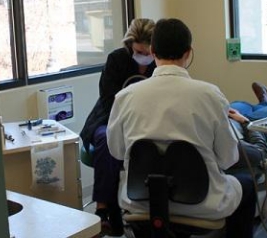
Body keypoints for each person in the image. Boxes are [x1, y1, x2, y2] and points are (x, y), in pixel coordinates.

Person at [107, 18, 256, 238]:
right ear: (189, 52)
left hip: (140, 203)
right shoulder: (210, 95)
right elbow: (228, 159)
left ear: (153, 51)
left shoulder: (125, 97)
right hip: (203, 204)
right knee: (247, 183)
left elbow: (117, 152)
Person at [80, 18, 156, 236]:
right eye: (139, 51)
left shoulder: (159, 64)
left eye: (148, 52)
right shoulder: (116, 60)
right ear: (129, 45)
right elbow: (108, 100)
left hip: (147, 121)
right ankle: (104, 211)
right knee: (107, 140)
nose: (144, 57)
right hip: (109, 117)